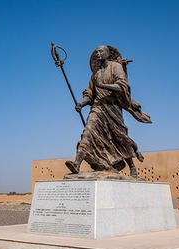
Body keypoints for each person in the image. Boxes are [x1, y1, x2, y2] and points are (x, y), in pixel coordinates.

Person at [65, 45, 152, 177]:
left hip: (113, 108)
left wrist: (103, 85)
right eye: (96, 52)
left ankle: (132, 166)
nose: (98, 54)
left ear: (107, 53)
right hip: (98, 108)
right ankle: (77, 163)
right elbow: (89, 93)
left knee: (119, 137)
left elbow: (123, 86)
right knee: (87, 132)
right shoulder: (95, 74)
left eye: (101, 51)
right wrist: (81, 104)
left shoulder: (116, 67)